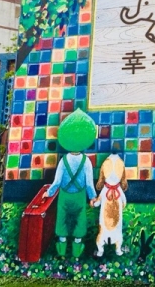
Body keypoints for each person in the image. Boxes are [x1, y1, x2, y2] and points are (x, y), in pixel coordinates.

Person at [43, 109, 97, 258]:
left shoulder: (63, 161)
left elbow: (57, 182)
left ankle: (61, 249)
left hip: (64, 196)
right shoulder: (86, 161)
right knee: (80, 220)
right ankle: (76, 250)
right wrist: (92, 197)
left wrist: (49, 193)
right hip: (79, 197)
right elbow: (89, 184)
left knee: (62, 219)